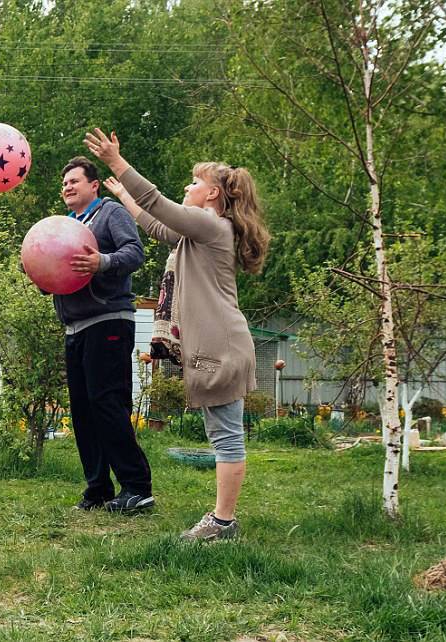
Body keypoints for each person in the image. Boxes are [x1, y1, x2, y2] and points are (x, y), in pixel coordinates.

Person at [85, 128, 270, 541]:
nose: (187, 187)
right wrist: (124, 195)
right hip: (220, 342)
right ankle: (223, 519)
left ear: (212, 195)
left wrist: (117, 162)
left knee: (227, 437)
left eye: (194, 182)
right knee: (222, 433)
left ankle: (223, 522)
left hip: (221, 345)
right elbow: (157, 225)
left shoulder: (210, 224)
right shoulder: (200, 232)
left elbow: (158, 204)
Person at [52, 156, 154, 514]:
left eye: (74, 181)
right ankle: (97, 489)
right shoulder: (66, 225)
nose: (67, 187)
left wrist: (102, 262)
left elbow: (135, 253)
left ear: (94, 185)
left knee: (107, 403)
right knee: (83, 410)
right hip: (74, 326)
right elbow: (58, 274)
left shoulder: (110, 213)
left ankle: (137, 487)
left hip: (108, 320)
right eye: (64, 183)